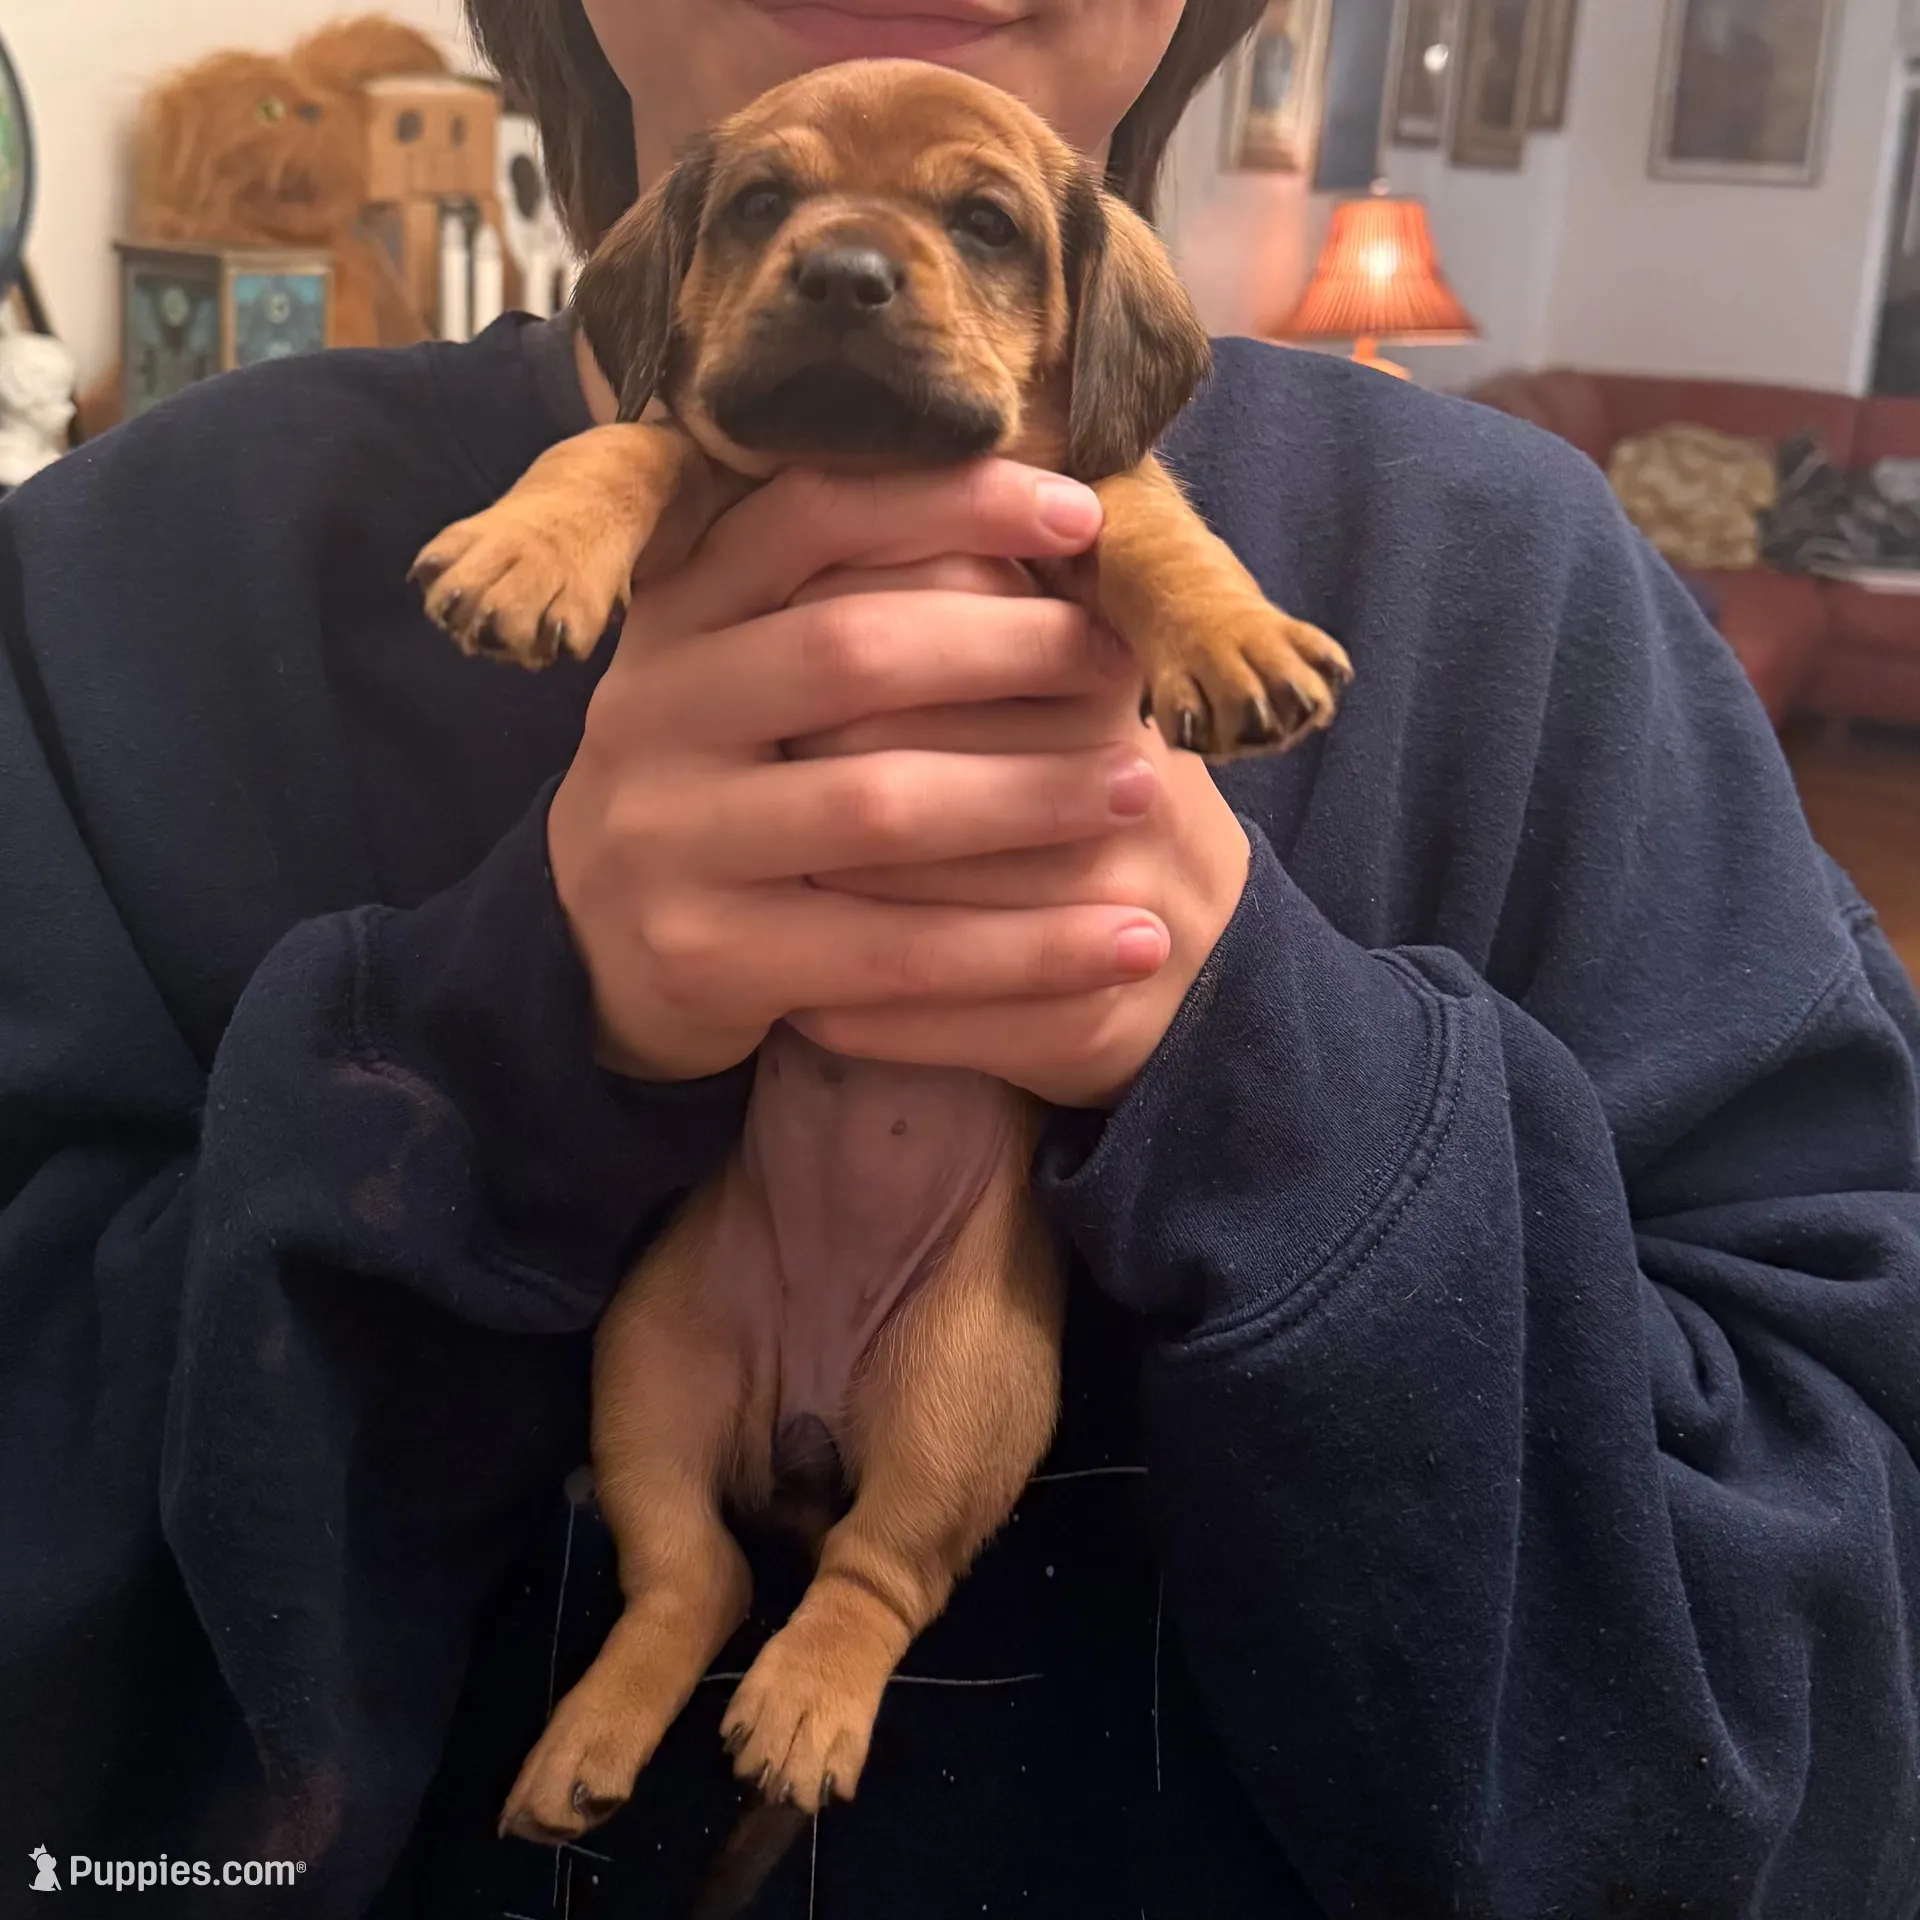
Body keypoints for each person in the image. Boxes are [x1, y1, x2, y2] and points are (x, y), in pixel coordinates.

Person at [2, 2, 1916, 1915]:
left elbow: (1833, 1639)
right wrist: (485, 1059)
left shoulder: (1524, 595)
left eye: (976, 226)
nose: (849, 261)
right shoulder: (109, 592)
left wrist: (1283, 1078)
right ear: (682, 271)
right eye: (770, 211)